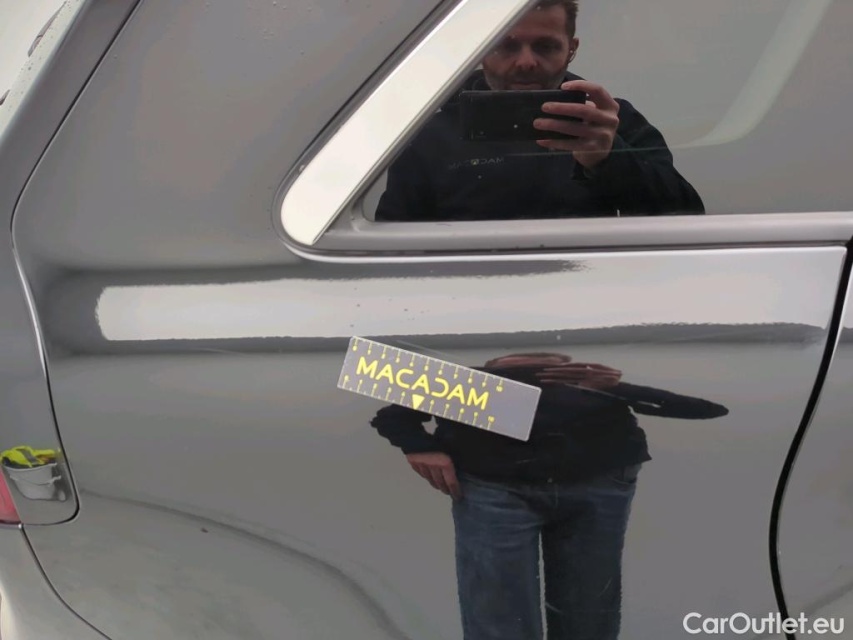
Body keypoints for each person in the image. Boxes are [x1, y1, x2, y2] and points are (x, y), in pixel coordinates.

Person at [370, 353, 729, 640]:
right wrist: (419, 446)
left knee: (582, 604)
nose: (533, 368)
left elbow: (704, 409)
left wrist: (616, 387)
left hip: (588, 484)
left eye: (546, 364)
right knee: (511, 607)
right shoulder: (470, 382)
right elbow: (392, 418)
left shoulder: (581, 386)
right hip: (504, 487)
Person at [375, 0, 703, 222]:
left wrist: (608, 158)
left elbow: (685, 220)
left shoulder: (610, 121)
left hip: (590, 290)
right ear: (479, 49)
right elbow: (391, 245)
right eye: (506, 45)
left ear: (571, 48)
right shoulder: (429, 133)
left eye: (545, 46)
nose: (526, 62)